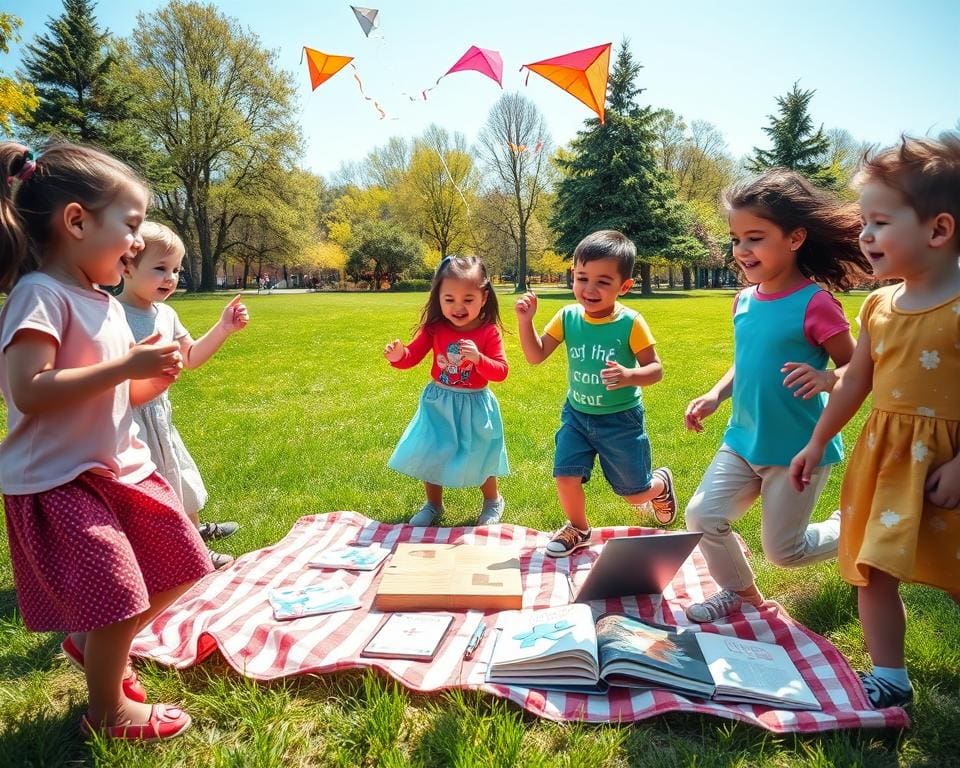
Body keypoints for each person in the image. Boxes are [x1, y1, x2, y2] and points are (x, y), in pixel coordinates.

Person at [0, 141, 212, 740]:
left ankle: (92, 647)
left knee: (182, 564)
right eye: (132, 226)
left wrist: (145, 380)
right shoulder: (39, 295)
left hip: (118, 466)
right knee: (117, 592)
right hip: (61, 478)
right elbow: (32, 390)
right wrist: (123, 369)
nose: (139, 244)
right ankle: (107, 711)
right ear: (75, 222)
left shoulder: (105, 303)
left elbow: (114, 397)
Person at [790, 135, 960, 709]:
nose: (864, 235)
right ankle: (889, 675)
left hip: (949, 462)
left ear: (939, 230)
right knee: (872, 567)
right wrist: (817, 441)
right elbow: (855, 381)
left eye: (880, 222)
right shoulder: (877, 306)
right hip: (886, 458)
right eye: (862, 221)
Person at [682, 169, 870, 623]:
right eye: (736, 239)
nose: (742, 250)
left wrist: (828, 379)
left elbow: (857, 367)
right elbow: (746, 362)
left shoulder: (815, 303)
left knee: (785, 552)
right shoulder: (743, 300)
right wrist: (716, 394)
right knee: (702, 516)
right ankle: (741, 594)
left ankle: (851, 532)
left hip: (796, 450)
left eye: (755, 238)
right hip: (742, 441)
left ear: (795, 237)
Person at [515, 230, 677, 558]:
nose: (589, 289)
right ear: (572, 275)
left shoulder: (631, 322)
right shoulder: (568, 317)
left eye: (603, 282)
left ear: (624, 286)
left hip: (621, 421)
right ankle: (578, 527)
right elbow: (535, 356)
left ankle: (660, 484)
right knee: (565, 475)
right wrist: (525, 322)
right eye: (582, 277)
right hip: (577, 415)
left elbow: (655, 369)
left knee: (634, 494)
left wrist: (630, 375)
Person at [117, 221, 249, 569]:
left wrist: (223, 329)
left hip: (160, 415)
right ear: (126, 265)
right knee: (148, 492)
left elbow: (190, 357)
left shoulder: (167, 313)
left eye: (175, 269)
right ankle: (179, 555)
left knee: (181, 480)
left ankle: (195, 540)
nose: (170, 277)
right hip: (129, 420)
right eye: (159, 268)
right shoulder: (111, 313)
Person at [384, 255, 509, 526]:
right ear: (438, 297)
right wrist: (398, 355)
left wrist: (478, 359)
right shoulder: (435, 329)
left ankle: (492, 501)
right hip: (438, 402)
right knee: (433, 452)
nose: (458, 307)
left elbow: (500, 371)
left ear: (484, 297)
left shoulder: (489, 333)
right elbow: (411, 357)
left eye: (468, 299)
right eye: (449, 299)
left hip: (475, 405)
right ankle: (433, 505)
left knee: (480, 455)